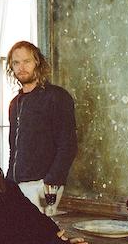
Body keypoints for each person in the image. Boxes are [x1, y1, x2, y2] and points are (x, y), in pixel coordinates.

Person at [5, 41, 77, 214]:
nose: (21, 67)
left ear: (37, 62)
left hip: (43, 185)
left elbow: (68, 145)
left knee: (40, 229)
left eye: (27, 61)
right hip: (16, 185)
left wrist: (52, 181)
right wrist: (8, 182)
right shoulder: (14, 104)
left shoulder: (56, 97)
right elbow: (14, 148)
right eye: (16, 63)